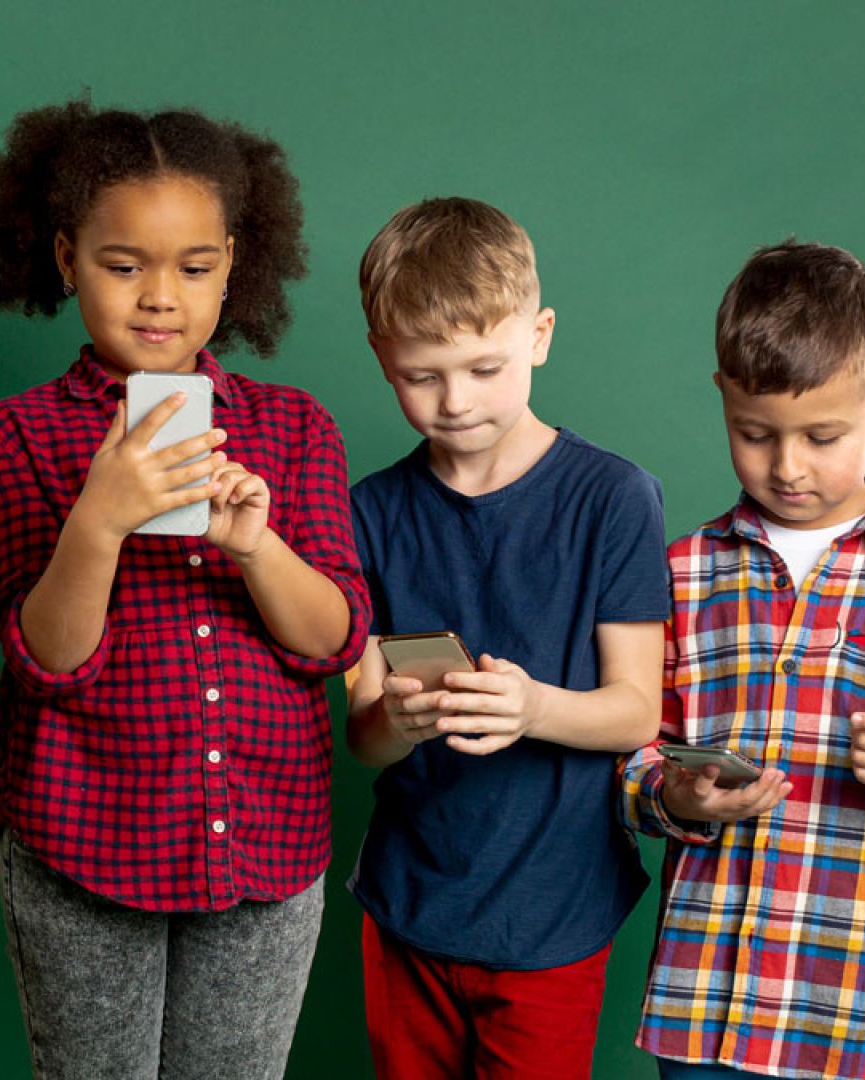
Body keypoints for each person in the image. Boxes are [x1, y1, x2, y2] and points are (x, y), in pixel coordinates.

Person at [0, 97, 371, 1079]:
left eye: (194, 267)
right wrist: (99, 517)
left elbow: (335, 641)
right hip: (82, 849)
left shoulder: (295, 426)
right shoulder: (19, 434)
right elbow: (48, 658)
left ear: (234, 261)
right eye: (122, 264)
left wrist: (257, 548)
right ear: (66, 258)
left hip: (265, 851)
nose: (160, 296)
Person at [621, 240, 865, 1079]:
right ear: (723, 400)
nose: (788, 465)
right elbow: (631, 752)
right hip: (710, 1012)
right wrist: (673, 796)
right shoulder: (680, 574)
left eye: (823, 435)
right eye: (755, 434)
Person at [345, 196, 669, 1079]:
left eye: (484, 367)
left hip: (554, 904)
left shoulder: (613, 498)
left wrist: (531, 706)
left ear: (541, 334)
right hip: (410, 896)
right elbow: (363, 735)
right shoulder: (367, 513)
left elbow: (637, 711)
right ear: (382, 358)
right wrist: (400, 722)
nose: (455, 401)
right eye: (423, 375)